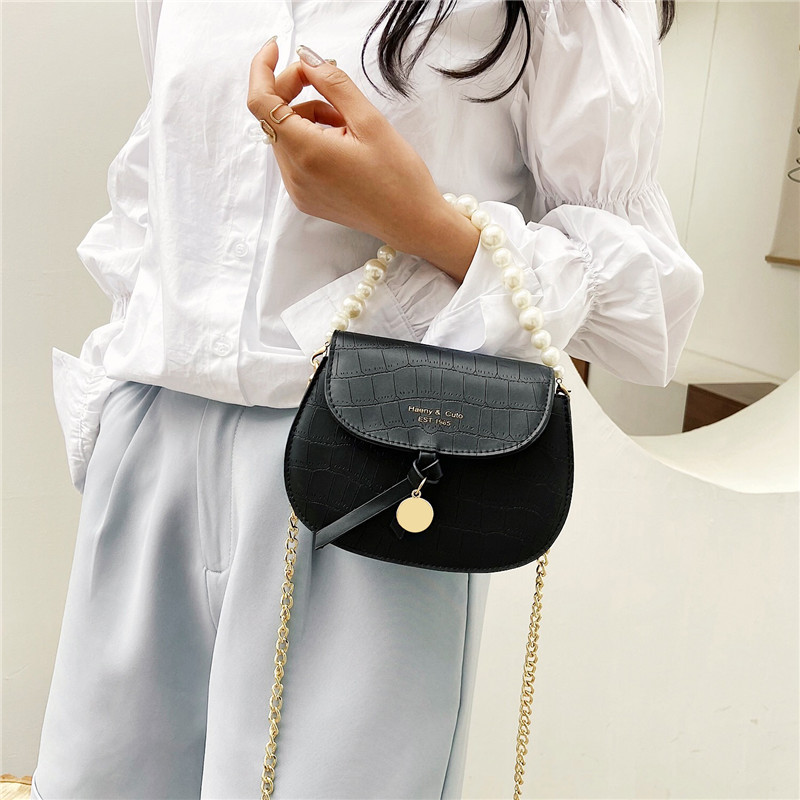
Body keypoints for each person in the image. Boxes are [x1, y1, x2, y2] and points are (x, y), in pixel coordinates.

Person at [31, 0, 704, 797]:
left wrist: (419, 219)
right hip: (152, 448)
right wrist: (115, 423)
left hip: (373, 476)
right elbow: (155, 193)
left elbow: (646, 303)